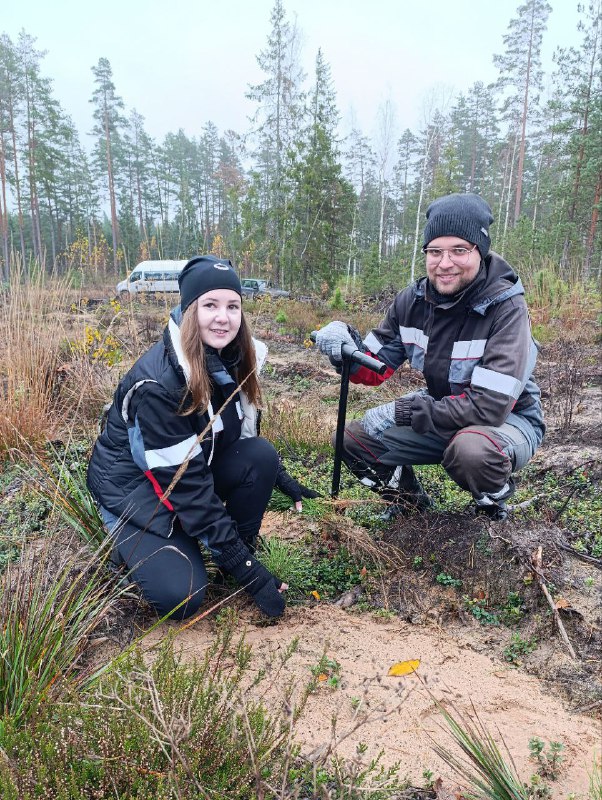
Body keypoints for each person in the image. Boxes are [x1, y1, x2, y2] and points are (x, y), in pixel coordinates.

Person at [88, 255, 315, 620]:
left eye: (232, 305)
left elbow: (242, 435)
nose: (223, 317)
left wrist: (280, 477)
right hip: (134, 490)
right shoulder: (158, 385)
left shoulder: (230, 358)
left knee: (261, 456)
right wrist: (252, 574)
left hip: (183, 474)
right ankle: (125, 544)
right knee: (183, 597)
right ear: (189, 308)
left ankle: (226, 553)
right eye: (210, 305)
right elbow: (186, 489)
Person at [313, 193, 545, 521]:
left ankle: (492, 502)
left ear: (480, 250)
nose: (445, 263)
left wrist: (404, 410)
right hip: (443, 412)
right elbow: (370, 370)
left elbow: (489, 407)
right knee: (353, 440)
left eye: (459, 250)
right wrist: (343, 344)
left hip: (507, 420)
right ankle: (411, 505)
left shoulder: (506, 307)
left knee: (470, 451)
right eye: (435, 251)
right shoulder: (413, 301)